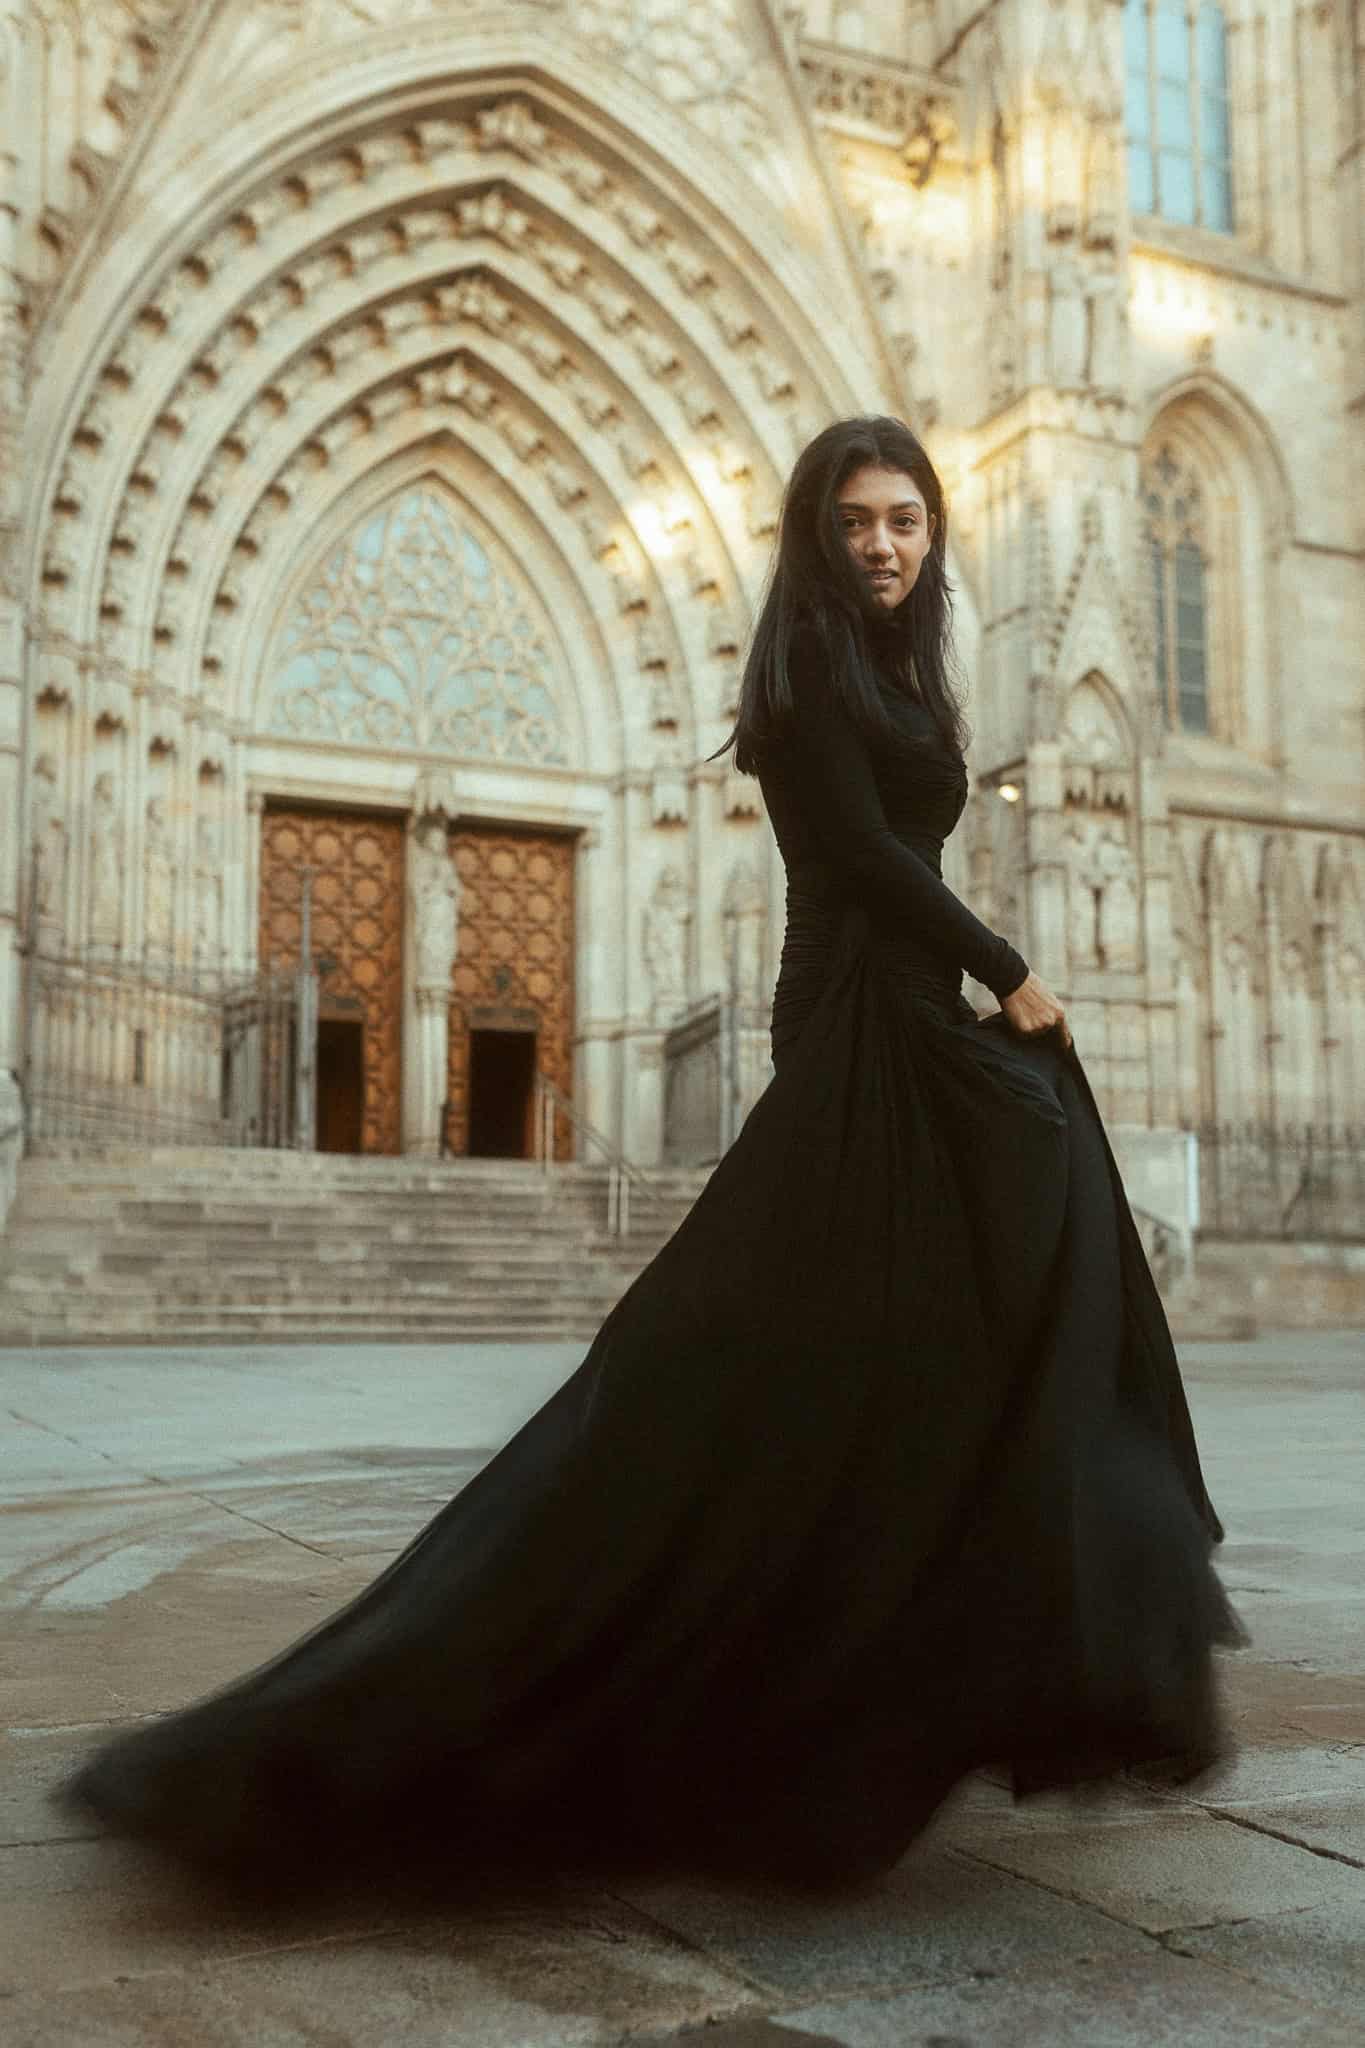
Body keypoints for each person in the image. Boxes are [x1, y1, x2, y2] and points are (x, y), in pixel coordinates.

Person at [61, 416, 1240, 1895]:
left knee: (894, 1339)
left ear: (932, 533)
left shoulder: (895, 667)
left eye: (904, 520)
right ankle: (553, 1680)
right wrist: (1009, 971)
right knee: (752, 1354)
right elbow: (865, 861)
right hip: (858, 1022)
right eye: (855, 520)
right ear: (814, 532)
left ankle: (872, 1665)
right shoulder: (806, 669)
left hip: (906, 1014)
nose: (881, 543)